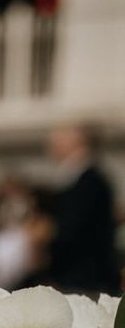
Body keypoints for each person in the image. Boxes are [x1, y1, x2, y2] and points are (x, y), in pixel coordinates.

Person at [42, 124, 119, 294]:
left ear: (77, 143)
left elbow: (74, 227)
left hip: (85, 275)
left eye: (59, 140)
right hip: (81, 272)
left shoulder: (89, 180)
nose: (52, 146)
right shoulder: (81, 177)